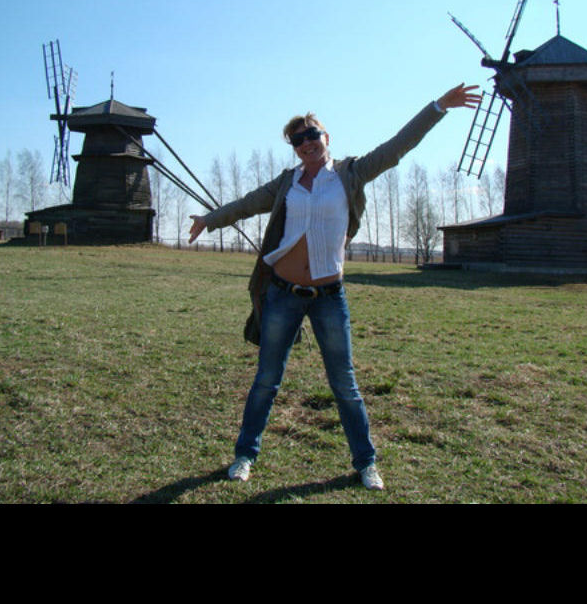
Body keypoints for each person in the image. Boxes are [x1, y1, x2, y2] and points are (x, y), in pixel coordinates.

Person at [188, 83, 481, 490]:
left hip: (329, 297)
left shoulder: (350, 173)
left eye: (312, 134)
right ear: (294, 149)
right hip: (283, 293)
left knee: (344, 384)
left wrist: (438, 107)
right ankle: (244, 456)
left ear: (326, 137)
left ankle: (366, 463)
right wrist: (210, 219)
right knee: (266, 380)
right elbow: (247, 203)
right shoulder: (287, 183)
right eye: (298, 139)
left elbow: (397, 147)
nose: (306, 142)